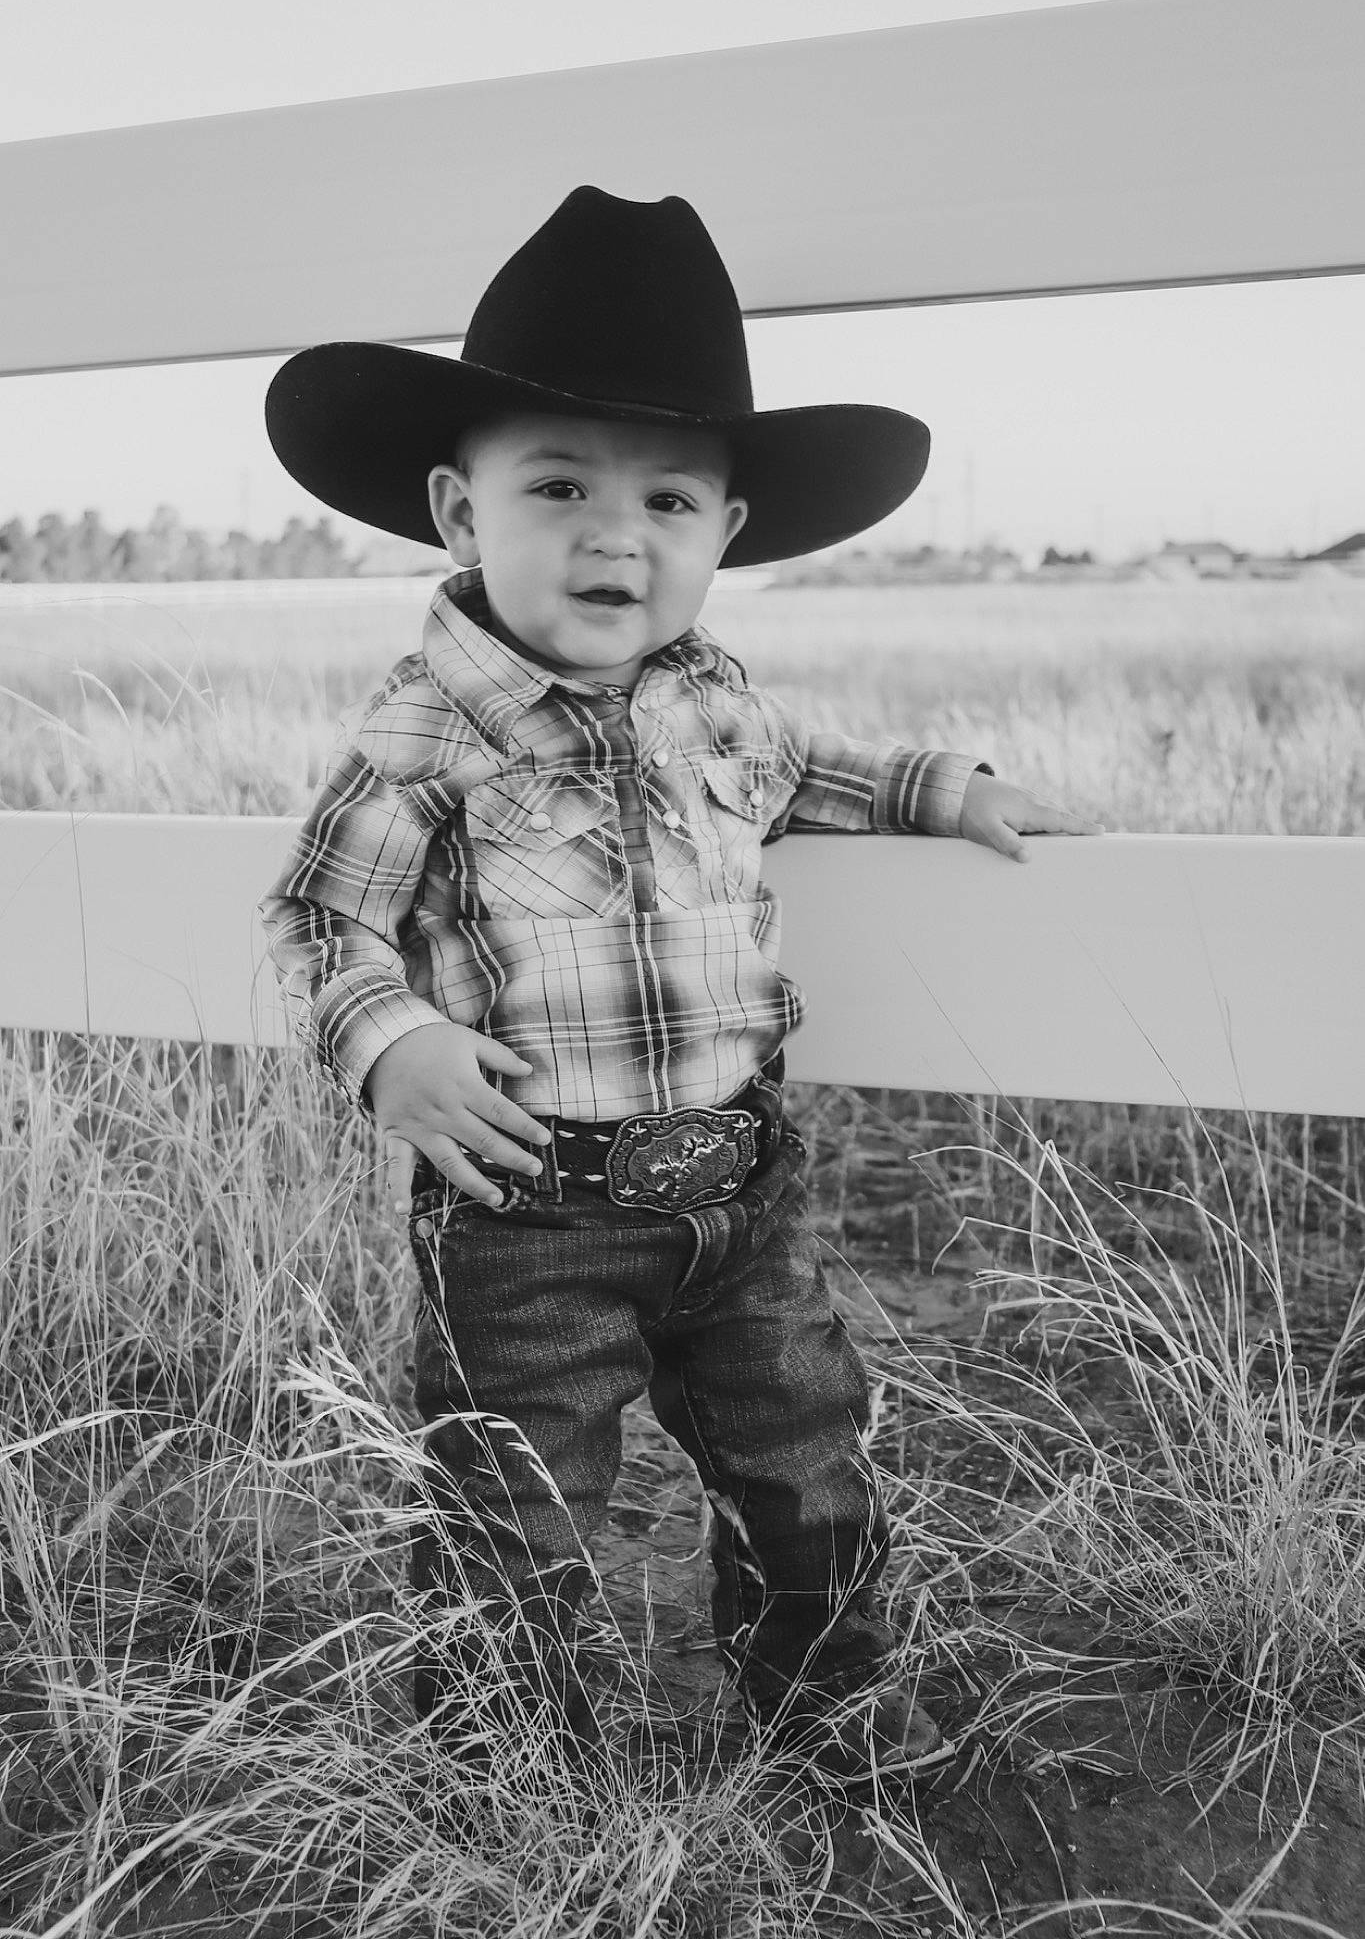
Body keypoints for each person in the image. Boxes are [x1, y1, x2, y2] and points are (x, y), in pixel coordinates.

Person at [258, 185, 1101, 1783]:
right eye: (558, 485)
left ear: (721, 534)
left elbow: (824, 776)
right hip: (526, 1213)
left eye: (665, 501)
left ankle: (829, 1730)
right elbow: (319, 925)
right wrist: (394, 1045)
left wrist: (946, 787)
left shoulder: (715, 702)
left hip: (740, 1189)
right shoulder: (421, 734)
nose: (611, 536)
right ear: (457, 511)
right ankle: (514, 1772)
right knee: (517, 1504)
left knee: (809, 1472)